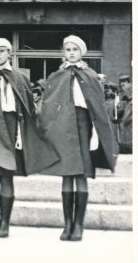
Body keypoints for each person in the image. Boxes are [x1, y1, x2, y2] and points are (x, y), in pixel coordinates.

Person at [0, 39, 58, 238]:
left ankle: (5, 223)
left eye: (3, 51)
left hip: (12, 128)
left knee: (7, 175)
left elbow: (29, 109)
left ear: (9, 53)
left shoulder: (19, 78)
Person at [39, 36, 118, 241]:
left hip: (84, 129)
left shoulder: (90, 75)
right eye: (68, 49)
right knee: (67, 175)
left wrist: (95, 137)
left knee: (81, 175)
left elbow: (98, 111)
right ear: (63, 52)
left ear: (82, 52)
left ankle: (79, 225)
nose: (71, 52)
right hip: (64, 130)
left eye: (75, 49)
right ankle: (67, 224)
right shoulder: (57, 76)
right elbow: (49, 106)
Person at [116, 74, 132, 153]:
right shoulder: (122, 94)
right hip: (125, 111)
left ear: (128, 82)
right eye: (121, 83)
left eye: (124, 83)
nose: (122, 86)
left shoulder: (130, 88)